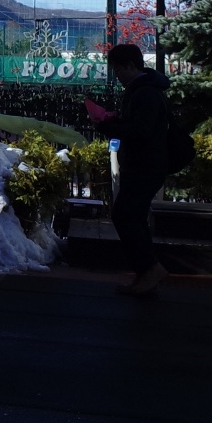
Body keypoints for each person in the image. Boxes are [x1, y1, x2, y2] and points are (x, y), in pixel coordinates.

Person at [90, 43, 171, 297]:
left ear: (129, 66)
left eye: (117, 69)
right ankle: (145, 274)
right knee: (134, 217)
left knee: (124, 215)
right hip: (146, 164)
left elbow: (141, 132)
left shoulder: (144, 93)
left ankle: (151, 269)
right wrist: (115, 121)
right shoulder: (147, 89)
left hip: (144, 165)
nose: (116, 75)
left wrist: (108, 127)